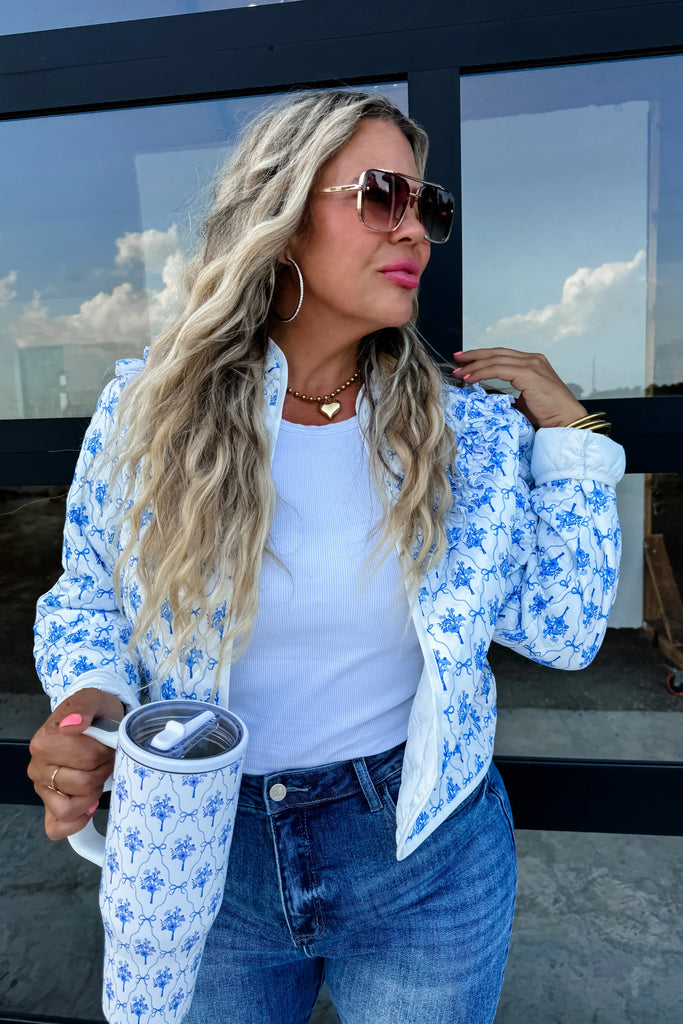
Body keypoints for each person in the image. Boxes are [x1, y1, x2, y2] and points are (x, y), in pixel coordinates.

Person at [28, 90, 625, 1024]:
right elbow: (86, 594)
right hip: (201, 845)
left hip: (420, 855)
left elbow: (564, 631)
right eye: (382, 195)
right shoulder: (149, 410)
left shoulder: (462, 432)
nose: (416, 230)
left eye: (428, 206)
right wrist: (88, 701)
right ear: (281, 216)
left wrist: (569, 442)